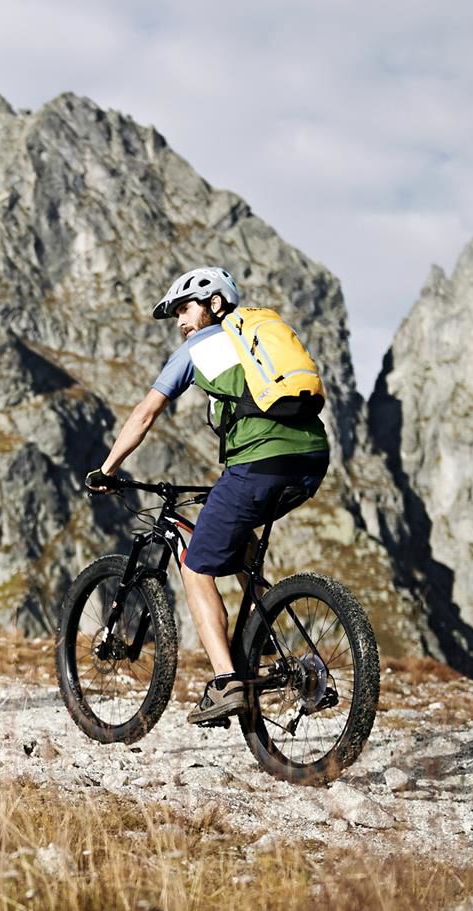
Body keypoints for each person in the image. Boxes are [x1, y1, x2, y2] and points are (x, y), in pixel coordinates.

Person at [87, 266, 329, 724]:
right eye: (176, 313)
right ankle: (277, 646)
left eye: (185, 308)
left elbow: (144, 414)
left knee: (195, 566)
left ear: (215, 304)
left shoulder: (198, 347)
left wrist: (107, 469)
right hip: (311, 459)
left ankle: (226, 681)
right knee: (242, 545)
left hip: (257, 463)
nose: (180, 321)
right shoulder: (258, 340)